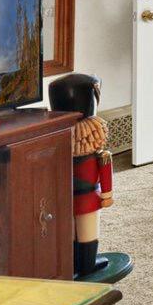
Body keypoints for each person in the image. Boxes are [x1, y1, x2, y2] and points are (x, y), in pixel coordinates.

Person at [48, 73, 113, 277]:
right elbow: (105, 173)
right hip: (89, 199)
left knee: (71, 232)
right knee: (88, 232)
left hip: (66, 199)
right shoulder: (98, 152)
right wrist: (107, 195)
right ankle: (87, 264)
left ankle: (72, 266)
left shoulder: (60, 147)